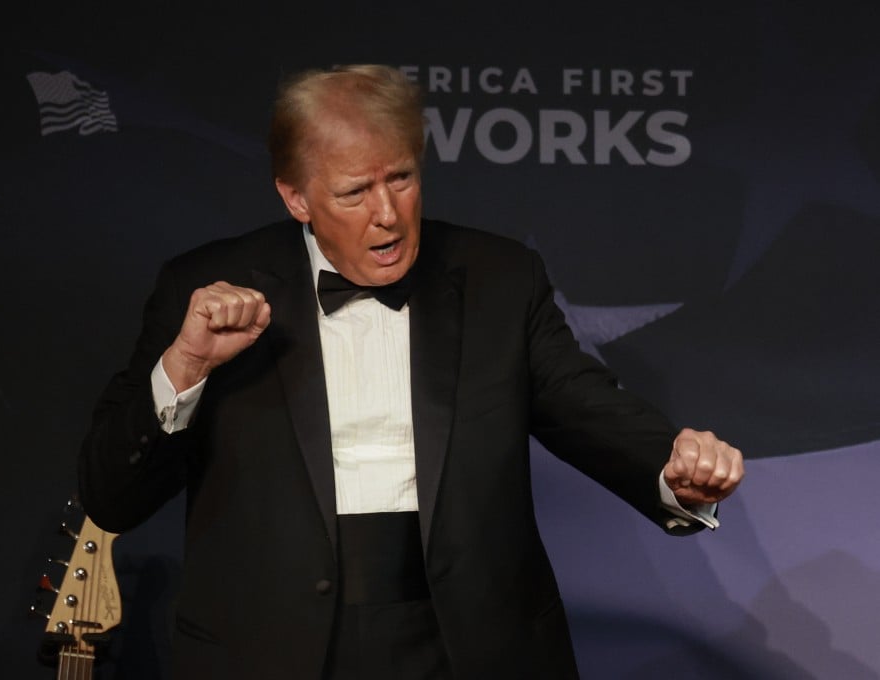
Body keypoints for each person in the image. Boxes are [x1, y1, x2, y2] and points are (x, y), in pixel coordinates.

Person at [78, 64, 744, 679]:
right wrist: (186, 363)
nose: (387, 214)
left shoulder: (498, 279)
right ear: (297, 198)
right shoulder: (202, 287)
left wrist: (673, 470)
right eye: (354, 192)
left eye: (400, 178)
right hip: (269, 649)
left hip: (468, 643)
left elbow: (582, 401)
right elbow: (112, 495)